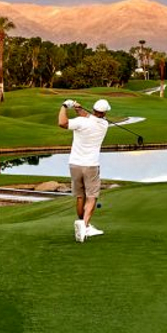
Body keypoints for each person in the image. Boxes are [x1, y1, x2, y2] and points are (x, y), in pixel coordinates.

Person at [58, 98, 111, 242]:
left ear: (93, 109)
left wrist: (65, 106)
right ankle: (85, 226)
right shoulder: (104, 124)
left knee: (80, 197)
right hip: (91, 166)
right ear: (104, 113)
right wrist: (78, 108)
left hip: (75, 164)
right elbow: (89, 117)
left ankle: (83, 225)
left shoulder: (81, 122)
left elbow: (62, 123)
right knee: (92, 197)